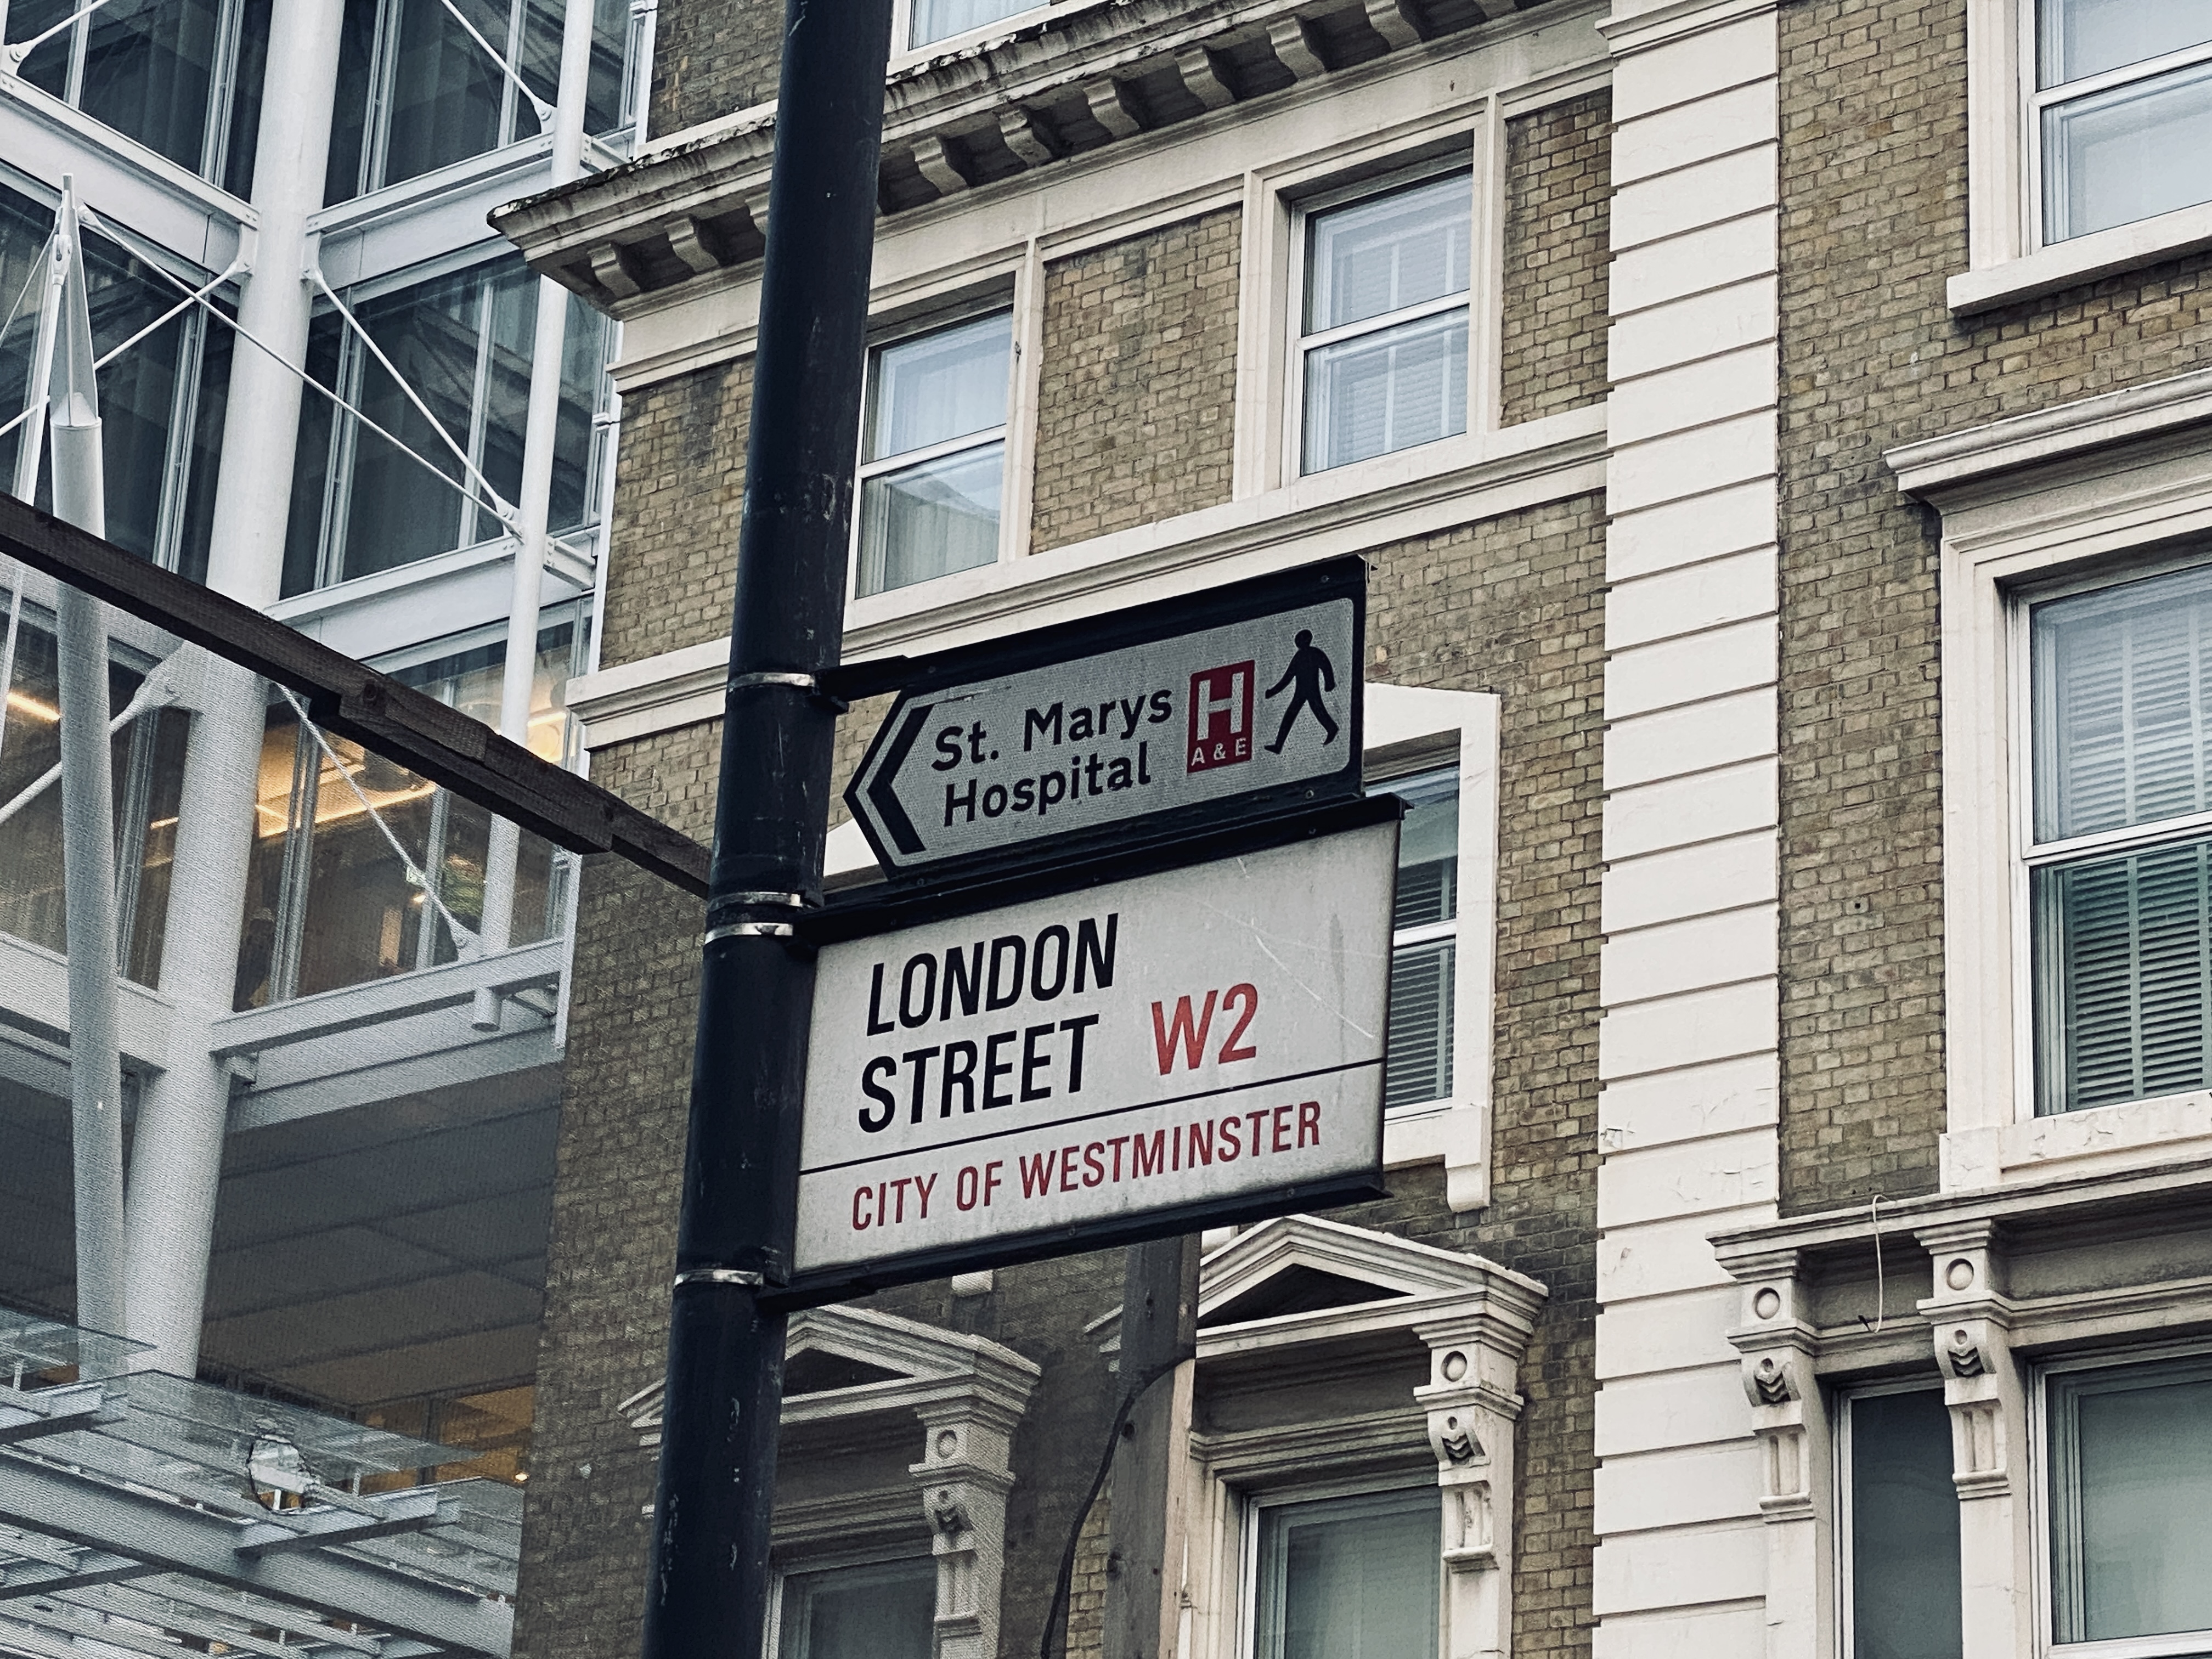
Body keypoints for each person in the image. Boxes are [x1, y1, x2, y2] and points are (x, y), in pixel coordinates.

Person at [1263, 629, 1339, 753]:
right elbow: (1287, 678)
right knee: (1294, 714)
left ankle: (1332, 728)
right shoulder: (1299, 656)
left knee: (1316, 711)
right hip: (1301, 691)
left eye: (1299, 639)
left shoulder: (1313, 653)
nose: (1297, 642)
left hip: (1311, 690)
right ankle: (1278, 746)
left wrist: (1329, 683)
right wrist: (1272, 692)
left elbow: (1326, 667)